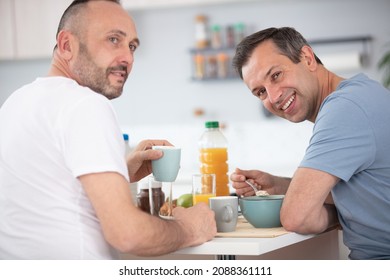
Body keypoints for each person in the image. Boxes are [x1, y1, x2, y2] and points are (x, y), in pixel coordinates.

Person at [0, 0, 216, 259]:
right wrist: (189, 228)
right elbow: (128, 234)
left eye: (132, 46)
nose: (127, 57)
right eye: (114, 39)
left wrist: (121, 172)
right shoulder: (86, 104)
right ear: (67, 45)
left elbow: (49, 193)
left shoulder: (15, 102)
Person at [230, 27, 390, 260]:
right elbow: (368, 194)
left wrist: (329, 213)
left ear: (307, 58)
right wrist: (279, 185)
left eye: (276, 75)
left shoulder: (345, 109)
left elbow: (297, 217)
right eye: (261, 92)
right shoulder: (363, 92)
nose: (273, 96)